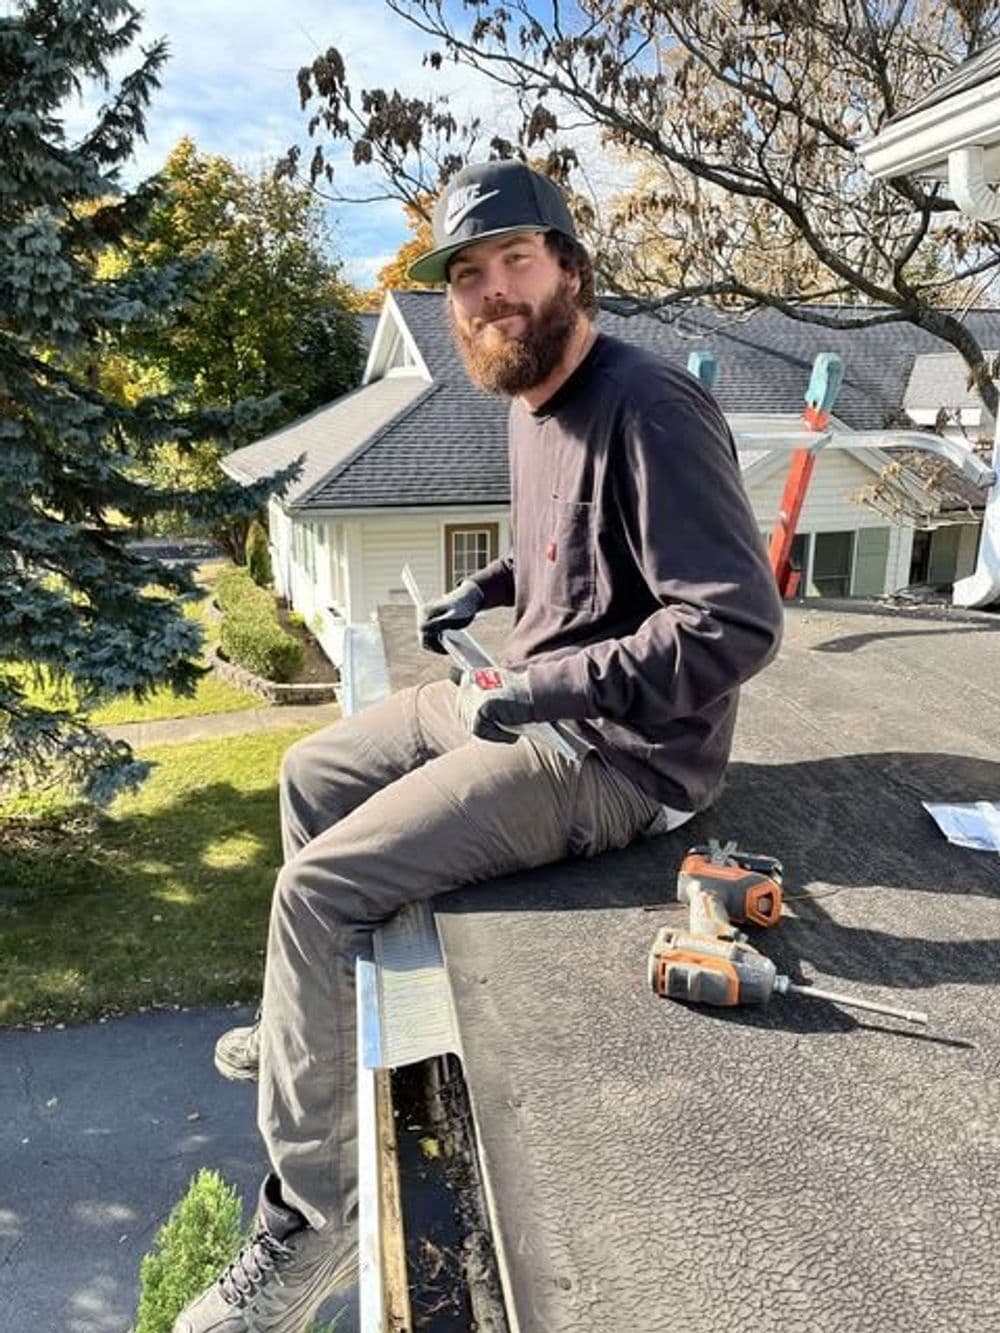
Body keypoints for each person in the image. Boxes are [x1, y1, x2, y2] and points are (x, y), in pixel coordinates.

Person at [175, 159, 784, 1332]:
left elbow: (732, 622)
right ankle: (323, 1035)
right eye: (466, 273)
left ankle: (315, 1222)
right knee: (310, 768)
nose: (489, 291)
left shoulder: (649, 403)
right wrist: (487, 587)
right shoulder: (530, 396)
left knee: (318, 890)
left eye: (514, 260)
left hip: (618, 755)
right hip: (525, 697)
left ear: (568, 267)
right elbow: (579, 551)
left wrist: (540, 686)